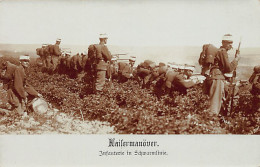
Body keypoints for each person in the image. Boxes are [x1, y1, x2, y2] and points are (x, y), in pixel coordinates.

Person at [207, 34, 240, 115]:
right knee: (215, 103)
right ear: (223, 42)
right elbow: (228, 68)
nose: (231, 45)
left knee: (217, 101)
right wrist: (236, 60)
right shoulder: (222, 51)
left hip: (215, 76)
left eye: (231, 42)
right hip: (217, 78)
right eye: (228, 42)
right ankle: (211, 122)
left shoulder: (220, 51)